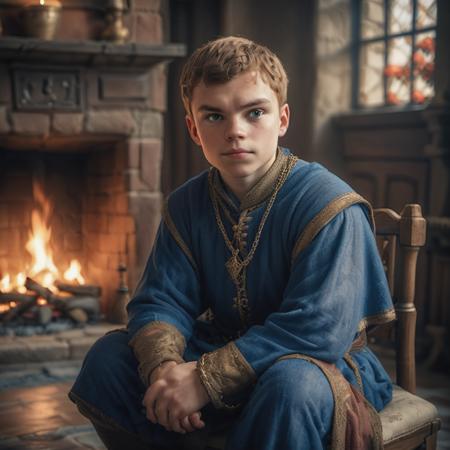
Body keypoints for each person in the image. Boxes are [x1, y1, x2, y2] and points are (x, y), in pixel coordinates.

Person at [69, 36, 395, 450]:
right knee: (109, 358)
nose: (235, 131)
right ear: (192, 127)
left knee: (288, 385)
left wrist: (204, 379)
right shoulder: (186, 204)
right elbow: (160, 301)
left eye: (254, 112)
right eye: (214, 116)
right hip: (221, 344)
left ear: (282, 119)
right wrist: (167, 372)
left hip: (319, 369)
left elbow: (318, 330)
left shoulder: (329, 204)